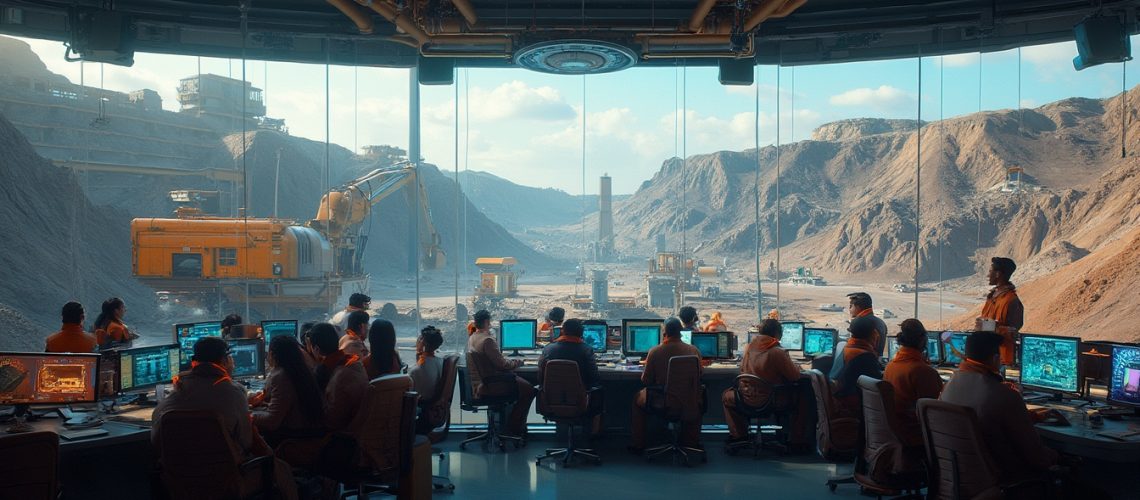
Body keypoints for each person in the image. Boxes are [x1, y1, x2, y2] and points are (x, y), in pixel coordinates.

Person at [152, 337, 298, 499]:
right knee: (282, 469)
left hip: (180, 484)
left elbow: (156, 440)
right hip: (228, 481)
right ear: (225, 360)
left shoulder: (175, 394)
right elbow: (246, 442)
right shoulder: (233, 392)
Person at [939, 332, 1060, 484]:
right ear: (995, 359)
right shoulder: (1005, 395)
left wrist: (1032, 417)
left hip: (959, 479)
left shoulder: (948, 387)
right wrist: (1058, 456)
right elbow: (1037, 457)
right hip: (1004, 481)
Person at [723, 319, 807, 447]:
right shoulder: (777, 352)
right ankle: (797, 441)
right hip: (771, 400)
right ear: (778, 334)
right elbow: (794, 376)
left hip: (746, 398)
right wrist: (797, 367)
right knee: (802, 394)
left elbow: (742, 371)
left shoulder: (748, 348)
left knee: (727, 396)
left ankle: (739, 436)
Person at [629, 318, 703, 453]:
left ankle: (638, 444)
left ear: (664, 332)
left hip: (664, 401)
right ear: (681, 332)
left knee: (636, 398)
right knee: (698, 397)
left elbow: (646, 381)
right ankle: (691, 443)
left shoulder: (655, 351)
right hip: (689, 401)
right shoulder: (694, 351)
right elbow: (700, 375)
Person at [465, 309, 535, 438]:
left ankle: (513, 426)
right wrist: (518, 363)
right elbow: (502, 365)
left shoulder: (473, 337)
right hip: (494, 383)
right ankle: (513, 428)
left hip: (482, 383)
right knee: (530, 391)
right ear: (487, 322)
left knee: (524, 387)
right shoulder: (487, 340)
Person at [250, 335, 325, 446]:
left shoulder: (281, 377)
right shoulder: (302, 370)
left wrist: (249, 416)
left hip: (292, 439)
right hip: (309, 435)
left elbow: (272, 422)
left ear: (272, 355)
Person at [882, 319, 943, 447]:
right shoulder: (922, 371)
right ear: (923, 340)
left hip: (895, 432)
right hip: (914, 434)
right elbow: (934, 410)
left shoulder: (891, 366)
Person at [309, 323, 368, 432]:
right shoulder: (354, 363)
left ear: (316, 349)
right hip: (358, 429)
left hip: (338, 436)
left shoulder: (337, 377)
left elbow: (331, 421)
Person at [829, 315, 883, 414]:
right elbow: (879, 387)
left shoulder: (847, 348)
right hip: (853, 408)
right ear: (872, 335)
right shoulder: (864, 357)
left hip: (839, 402)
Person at [979, 257, 1025, 366]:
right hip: (987, 357)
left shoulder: (1011, 300)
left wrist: (988, 327)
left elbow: (1013, 333)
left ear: (998, 274)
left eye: (990, 271)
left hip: (1002, 361)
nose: (987, 275)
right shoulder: (992, 297)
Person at [409, 325, 445, 399]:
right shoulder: (441, 362)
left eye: (419, 338)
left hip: (419, 404)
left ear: (422, 342)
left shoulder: (416, 370)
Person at [847, 292, 888, 356]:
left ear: (857, 307)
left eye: (851, 306)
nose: (849, 309)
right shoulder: (881, 322)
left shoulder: (860, 322)